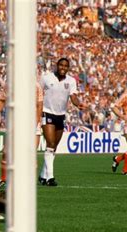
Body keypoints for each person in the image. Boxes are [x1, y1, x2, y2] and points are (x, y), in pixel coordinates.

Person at [38, 58, 85, 186]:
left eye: (65, 66)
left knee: (54, 147)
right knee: (50, 144)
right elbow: (37, 92)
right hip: (47, 113)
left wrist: (78, 104)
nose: (63, 67)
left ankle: (43, 175)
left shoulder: (71, 81)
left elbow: (73, 96)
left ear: (68, 68)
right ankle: (50, 178)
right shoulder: (46, 78)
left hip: (60, 115)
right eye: (61, 65)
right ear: (57, 66)